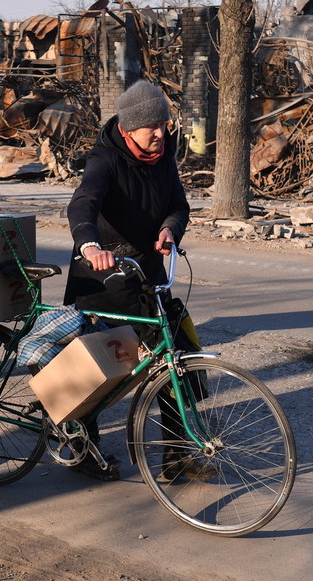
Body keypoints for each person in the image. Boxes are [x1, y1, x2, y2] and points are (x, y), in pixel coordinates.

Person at [64, 79, 213, 482]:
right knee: (96, 370)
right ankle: (81, 446)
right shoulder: (104, 160)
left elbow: (179, 205)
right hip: (103, 276)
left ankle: (176, 456)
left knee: (176, 360)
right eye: (152, 128)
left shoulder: (163, 157)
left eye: (163, 125)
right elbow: (83, 203)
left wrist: (170, 229)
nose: (160, 134)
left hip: (147, 275)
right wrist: (89, 245)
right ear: (129, 129)